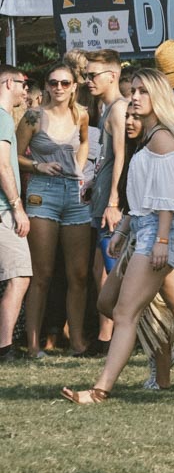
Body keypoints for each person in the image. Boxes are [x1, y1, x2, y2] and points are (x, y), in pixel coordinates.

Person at [61, 68, 174, 403]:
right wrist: (125, 229)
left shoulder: (164, 138)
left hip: (160, 234)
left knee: (124, 313)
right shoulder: (150, 138)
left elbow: (167, 200)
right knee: (125, 304)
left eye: (142, 92)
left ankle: (100, 390)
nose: (134, 98)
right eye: (133, 91)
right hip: (145, 230)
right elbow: (145, 199)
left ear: (159, 98)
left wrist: (161, 242)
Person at [20, 63, 92, 357]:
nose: (58, 88)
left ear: (75, 85)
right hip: (42, 193)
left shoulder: (82, 114)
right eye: (53, 83)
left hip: (75, 194)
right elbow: (13, 154)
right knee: (43, 274)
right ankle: (34, 345)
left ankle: (76, 342)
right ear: (46, 85)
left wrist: (81, 167)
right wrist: (38, 165)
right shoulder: (33, 115)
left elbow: (85, 141)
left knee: (78, 275)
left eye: (65, 83)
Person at [81, 50, 127, 347]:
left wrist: (113, 202)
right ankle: (106, 338)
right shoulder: (107, 109)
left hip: (111, 208)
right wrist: (95, 182)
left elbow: (122, 157)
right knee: (108, 274)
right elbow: (108, 160)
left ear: (111, 76)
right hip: (100, 201)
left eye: (92, 75)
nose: (87, 81)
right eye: (85, 75)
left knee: (118, 274)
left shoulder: (120, 109)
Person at [0, 66, 34, 358]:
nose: (26, 90)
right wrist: (16, 207)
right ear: (8, 82)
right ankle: (5, 346)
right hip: (3, 210)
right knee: (19, 276)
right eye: (23, 84)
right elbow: (2, 165)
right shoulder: (2, 118)